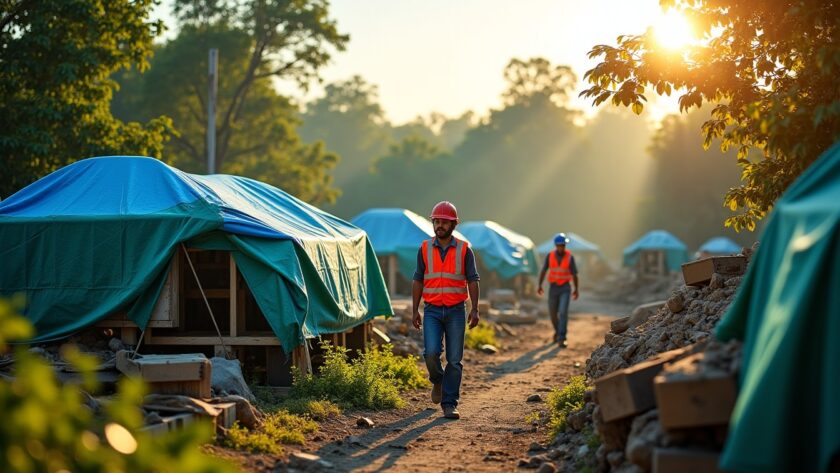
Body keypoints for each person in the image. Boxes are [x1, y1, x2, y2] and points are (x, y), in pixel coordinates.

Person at [411, 201, 480, 420]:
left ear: (453, 225)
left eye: (444, 222)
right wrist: (414, 310)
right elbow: (418, 280)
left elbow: (473, 280)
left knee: (454, 360)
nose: (439, 225)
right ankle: (438, 380)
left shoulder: (464, 250)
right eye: (436, 221)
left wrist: (475, 309)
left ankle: (449, 404)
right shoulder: (424, 248)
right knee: (431, 353)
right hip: (431, 310)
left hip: (456, 311)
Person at [537, 233, 579, 347]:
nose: (562, 247)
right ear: (556, 245)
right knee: (552, 313)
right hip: (553, 288)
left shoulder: (570, 257)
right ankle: (557, 331)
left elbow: (574, 274)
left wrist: (576, 289)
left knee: (563, 312)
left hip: (565, 287)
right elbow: (544, 270)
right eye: (560, 245)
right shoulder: (550, 256)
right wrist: (540, 285)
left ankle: (562, 337)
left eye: (563, 245)